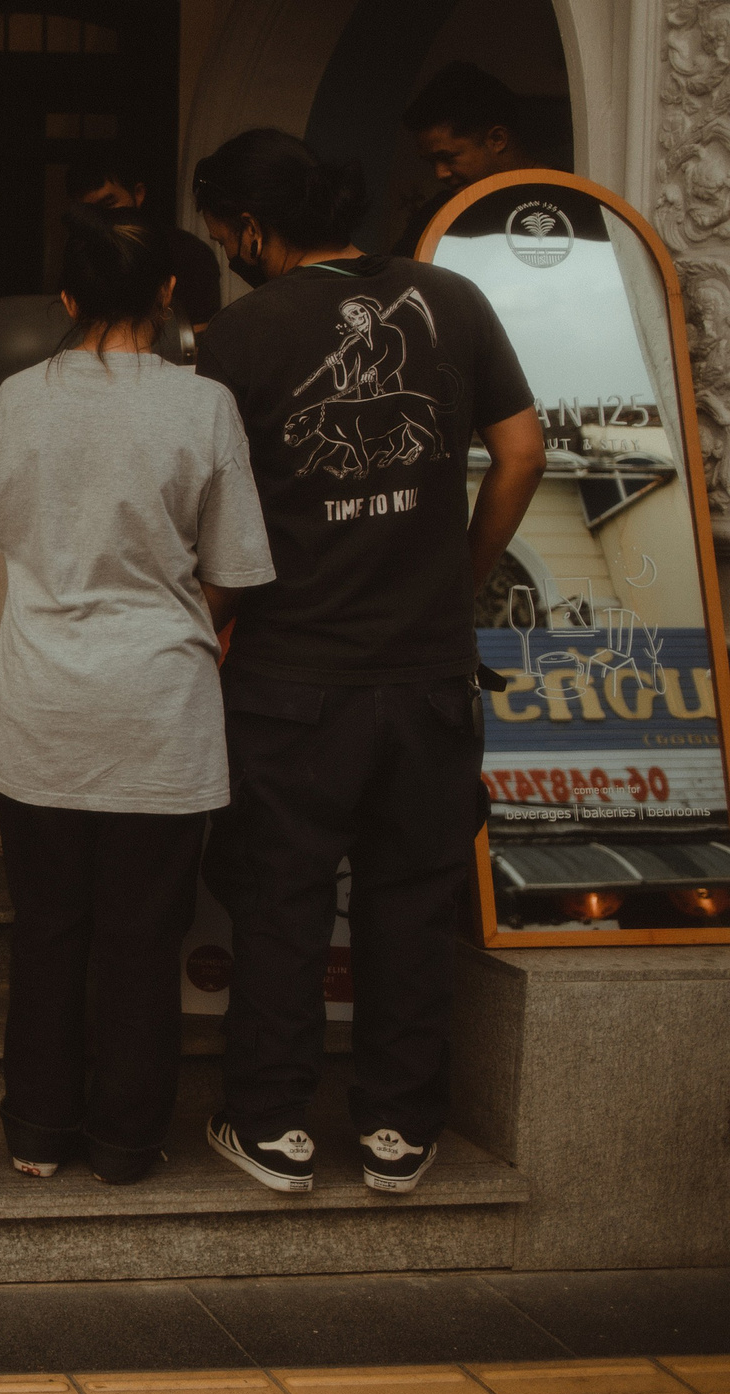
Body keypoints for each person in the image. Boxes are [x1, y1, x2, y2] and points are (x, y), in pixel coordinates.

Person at [192, 129, 542, 1195]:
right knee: (410, 899)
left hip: (292, 674)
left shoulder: (238, 335)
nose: (226, 252)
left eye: (223, 235)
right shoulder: (457, 302)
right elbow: (522, 447)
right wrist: (462, 574)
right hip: (428, 673)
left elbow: (212, 511)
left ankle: (271, 1127)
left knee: (283, 900)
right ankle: (397, 1129)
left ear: (252, 230)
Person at [0, 205, 276, 1187]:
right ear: (168, 295)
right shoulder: (204, 407)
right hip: (160, 703)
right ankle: (123, 1142)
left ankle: (35, 1131)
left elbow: (13, 535)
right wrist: (170, 609)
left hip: (44, 704)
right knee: (142, 939)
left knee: (48, 928)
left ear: (65, 301)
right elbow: (236, 562)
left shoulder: (18, 398)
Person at [391, 64, 548, 256]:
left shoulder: (570, 200)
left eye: (448, 157)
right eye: (431, 162)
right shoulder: (438, 215)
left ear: (497, 139)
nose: (440, 174)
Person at [66, 147, 224, 326]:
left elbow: (201, 336)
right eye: (89, 211)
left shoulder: (188, 254)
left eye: (109, 204)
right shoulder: (81, 256)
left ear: (138, 194)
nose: (100, 219)